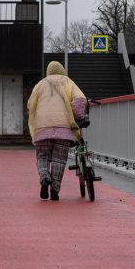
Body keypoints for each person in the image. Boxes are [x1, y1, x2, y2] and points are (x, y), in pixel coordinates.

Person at [26, 61, 87, 201]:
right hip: (63, 128)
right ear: (62, 70)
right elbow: (79, 99)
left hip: (43, 127)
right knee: (59, 159)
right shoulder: (68, 82)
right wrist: (77, 116)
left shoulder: (40, 84)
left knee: (42, 156)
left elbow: (30, 104)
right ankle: (54, 189)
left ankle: (44, 178)